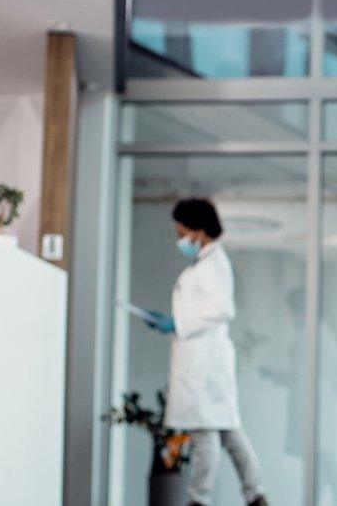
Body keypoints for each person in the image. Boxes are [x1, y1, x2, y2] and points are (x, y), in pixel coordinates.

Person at [144, 198, 270, 506]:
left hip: (204, 362)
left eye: (182, 231)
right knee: (228, 432)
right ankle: (256, 495)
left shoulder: (215, 264)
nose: (180, 238)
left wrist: (178, 323)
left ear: (198, 230)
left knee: (206, 436)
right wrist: (175, 324)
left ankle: (198, 500)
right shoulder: (206, 263)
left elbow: (221, 309)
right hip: (204, 360)